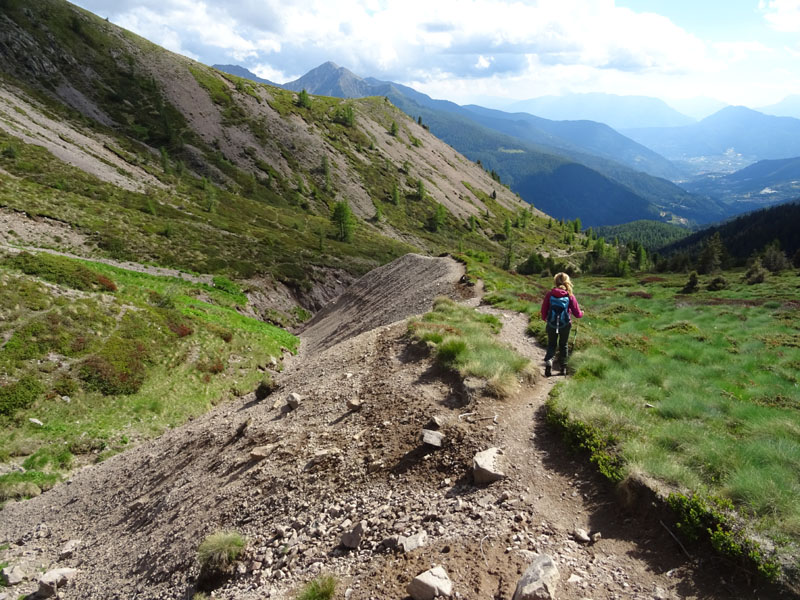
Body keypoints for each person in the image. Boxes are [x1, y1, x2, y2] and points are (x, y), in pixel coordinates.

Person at [540, 272, 583, 376]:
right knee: (563, 345)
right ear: (567, 282)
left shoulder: (550, 294)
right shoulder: (570, 296)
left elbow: (543, 310)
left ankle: (549, 362)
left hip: (552, 323)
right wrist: (582, 314)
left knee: (551, 344)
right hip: (565, 324)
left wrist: (546, 319)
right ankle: (563, 367)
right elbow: (577, 314)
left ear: (555, 281)